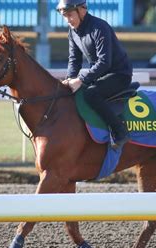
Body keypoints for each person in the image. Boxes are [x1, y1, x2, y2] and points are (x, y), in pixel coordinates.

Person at [57, 0, 133, 150]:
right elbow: (74, 60)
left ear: (82, 10)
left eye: (70, 15)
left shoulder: (100, 27)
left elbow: (105, 62)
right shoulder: (72, 32)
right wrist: (69, 79)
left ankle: (120, 131)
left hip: (119, 74)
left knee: (91, 94)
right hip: (99, 75)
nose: (67, 20)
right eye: (64, 16)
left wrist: (80, 80)